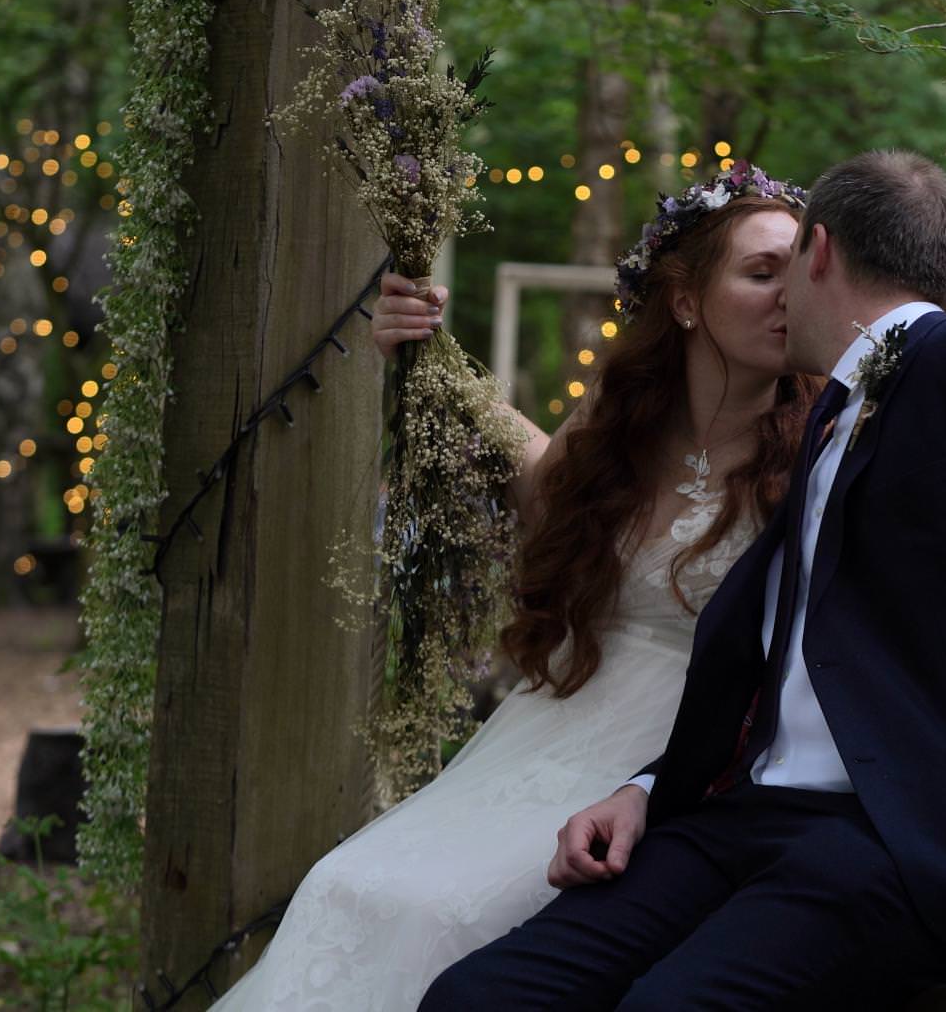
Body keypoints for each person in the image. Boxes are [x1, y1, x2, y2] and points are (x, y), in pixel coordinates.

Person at [421, 151, 946, 1011]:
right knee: (480, 997)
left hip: (908, 837)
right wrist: (647, 790)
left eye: (784, 265)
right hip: (750, 815)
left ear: (820, 253)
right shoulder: (830, 418)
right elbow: (793, 658)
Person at [210, 163, 819, 1011]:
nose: (790, 295)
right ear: (684, 299)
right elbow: (542, 484)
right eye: (762, 273)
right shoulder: (622, 421)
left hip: (673, 757)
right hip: (553, 726)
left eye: (802, 273)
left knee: (448, 915)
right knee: (349, 883)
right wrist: (424, 349)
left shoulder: (823, 449)